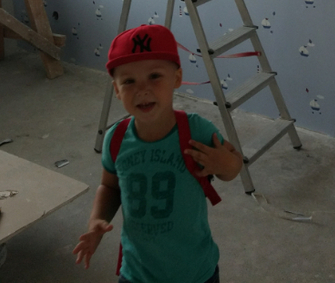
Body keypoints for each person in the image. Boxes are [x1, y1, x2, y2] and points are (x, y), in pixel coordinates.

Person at [73, 24, 243, 283]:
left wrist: (224, 164)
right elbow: (109, 187)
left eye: (154, 76)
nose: (142, 89)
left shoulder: (197, 131)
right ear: (116, 90)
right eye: (129, 81)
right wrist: (97, 221)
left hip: (195, 272)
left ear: (177, 78)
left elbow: (233, 167)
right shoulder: (115, 139)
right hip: (137, 272)